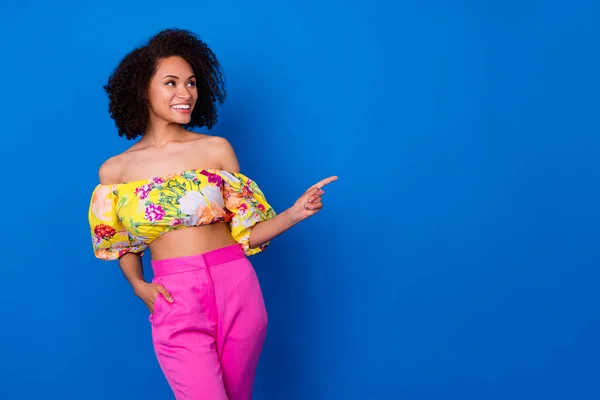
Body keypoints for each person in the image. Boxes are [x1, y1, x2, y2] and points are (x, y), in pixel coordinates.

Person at [87, 28, 337, 400]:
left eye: (190, 83)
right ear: (143, 89)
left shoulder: (215, 150)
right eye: (170, 83)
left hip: (235, 284)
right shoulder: (115, 172)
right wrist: (139, 286)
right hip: (175, 294)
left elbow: (246, 233)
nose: (185, 93)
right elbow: (121, 243)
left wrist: (295, 213)